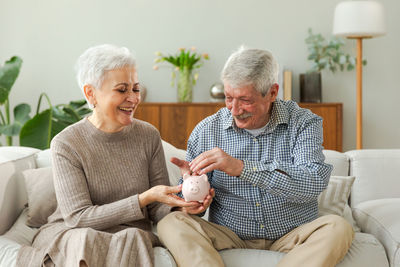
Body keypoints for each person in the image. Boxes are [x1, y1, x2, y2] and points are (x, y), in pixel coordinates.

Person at [157, 47, 354, 267]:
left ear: (272, 92)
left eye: (245, 100)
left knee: (338, 227)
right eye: (229, 97)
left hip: (292, 234)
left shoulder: (304, 123)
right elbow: (195, 207)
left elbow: (311, 183)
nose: (235, 109)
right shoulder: (207, 131)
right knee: (170, 223)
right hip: (229, 234)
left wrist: (241, 167)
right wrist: (192, 198)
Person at [17, 44, 198, 267]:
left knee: (133, 237)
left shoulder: (148, 135)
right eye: (122, 90)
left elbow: (157, 209)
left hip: (129, 233)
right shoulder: (66, 143)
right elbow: (78, 218)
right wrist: (143, 198)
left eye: (136, 89)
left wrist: (183, 204)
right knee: (87, 239)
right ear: (90, 93)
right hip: (72, 231)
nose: (133, 98)